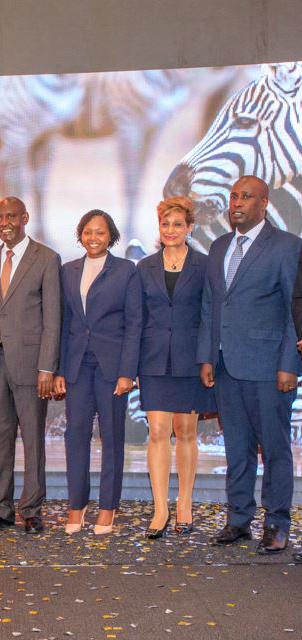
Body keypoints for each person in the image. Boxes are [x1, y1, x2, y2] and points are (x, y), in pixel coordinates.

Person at [199, 175, 301, 554]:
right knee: (237, 448)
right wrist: (207, 356)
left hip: (269, 367)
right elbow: (211, 305)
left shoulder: (287, 247)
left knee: (274, 449)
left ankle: (277, 524)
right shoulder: (220, 245)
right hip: (226, 366)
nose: (237, 202)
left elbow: (296, 309)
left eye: (246, 197)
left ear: (264, 203)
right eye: (234, 196)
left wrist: (289, 363)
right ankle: (239, 519)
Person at [0, 197, 61, 534]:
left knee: (33, 439)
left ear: (24, 218)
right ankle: (0, 508)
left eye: (11, 216)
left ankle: (31, 508)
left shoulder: (47, 259)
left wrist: (47, 368)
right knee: (0, 439)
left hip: (31, 366)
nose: (5, 222)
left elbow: (53, 319)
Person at [54, 209, 141, 536]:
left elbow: (134, 324)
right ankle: (77, 505)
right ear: (80, 234)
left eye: (100, 232)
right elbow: (64, 324)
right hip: (77, 366)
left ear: (111, 236)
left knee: (112, 437)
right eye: (88, 232)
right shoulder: (68, 271)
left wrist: (127, 372)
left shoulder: (126, 271)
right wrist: (60, 368)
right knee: (75, 434)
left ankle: (108, 508)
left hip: (111, 367)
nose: (93, 237)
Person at [136, 197, 214, 539]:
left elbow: (210, 315)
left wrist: (207, 357)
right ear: (159, 227)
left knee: (185, 432)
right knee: (156, 432)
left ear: (190, 228)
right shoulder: (144, 267)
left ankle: (184, 503)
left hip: (189, 360)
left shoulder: (205, 265)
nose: (171, 230)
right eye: (165, 224)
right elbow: (137, 318)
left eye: (178, 224)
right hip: (153, 360)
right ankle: (160, 509)